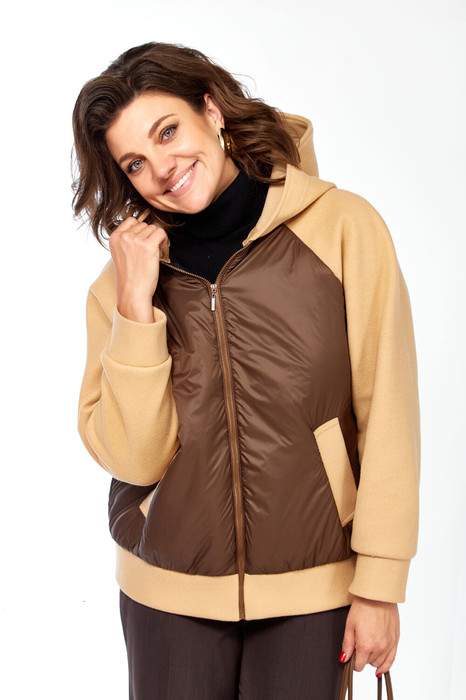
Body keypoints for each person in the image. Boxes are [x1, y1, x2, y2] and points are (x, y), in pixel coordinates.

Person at [73, 41, 420, 700]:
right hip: (166, 593)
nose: (162, 169)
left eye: (168, 131)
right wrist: (135, 308)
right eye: (135, 162)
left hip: (314, 584)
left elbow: (389, 410)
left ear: (212, 110)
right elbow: (133, 458)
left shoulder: (343, 230)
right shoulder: (120, 286)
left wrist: (379, 583)